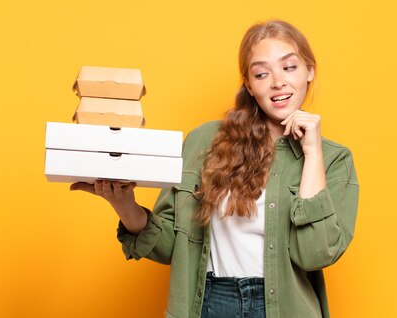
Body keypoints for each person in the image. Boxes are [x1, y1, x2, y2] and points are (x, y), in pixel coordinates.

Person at [71, 19, 359, 318]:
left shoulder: (334, 160)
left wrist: (312, 152)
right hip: (209, 302)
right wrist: (125, 205)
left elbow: (314, 254)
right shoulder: (204, 142)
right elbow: (173, 247)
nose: (278, 82)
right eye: (262, 73)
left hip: (285, 308)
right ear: (249, 84)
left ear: (310, 70)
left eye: (289, 67)